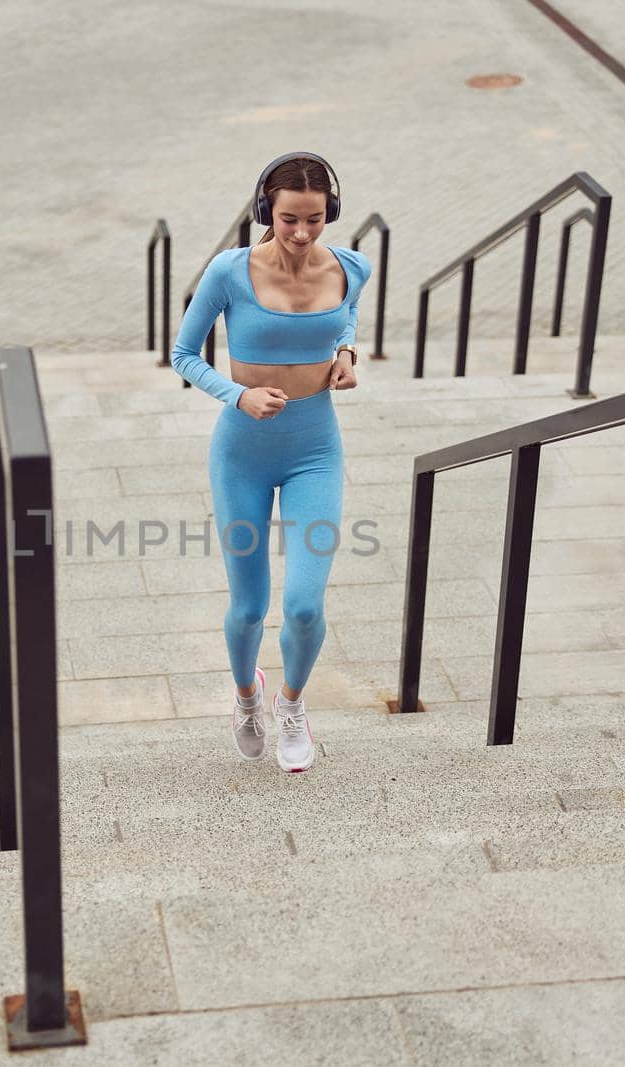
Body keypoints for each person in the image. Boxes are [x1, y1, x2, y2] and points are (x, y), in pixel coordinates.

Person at [170, 151, 370, 773]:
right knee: (250, 606)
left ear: (329, 213)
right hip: (242, 454)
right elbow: (182, 354)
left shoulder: (353, 267)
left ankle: (291, 704)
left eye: (314, 219)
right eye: (289, 220)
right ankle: (247, 696)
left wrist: (346, 353)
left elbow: (348, 318)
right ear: (267, 212)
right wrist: (239, 394)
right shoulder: (230, 271)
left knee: (307, 604)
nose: (302, 233)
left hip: (315, 448)